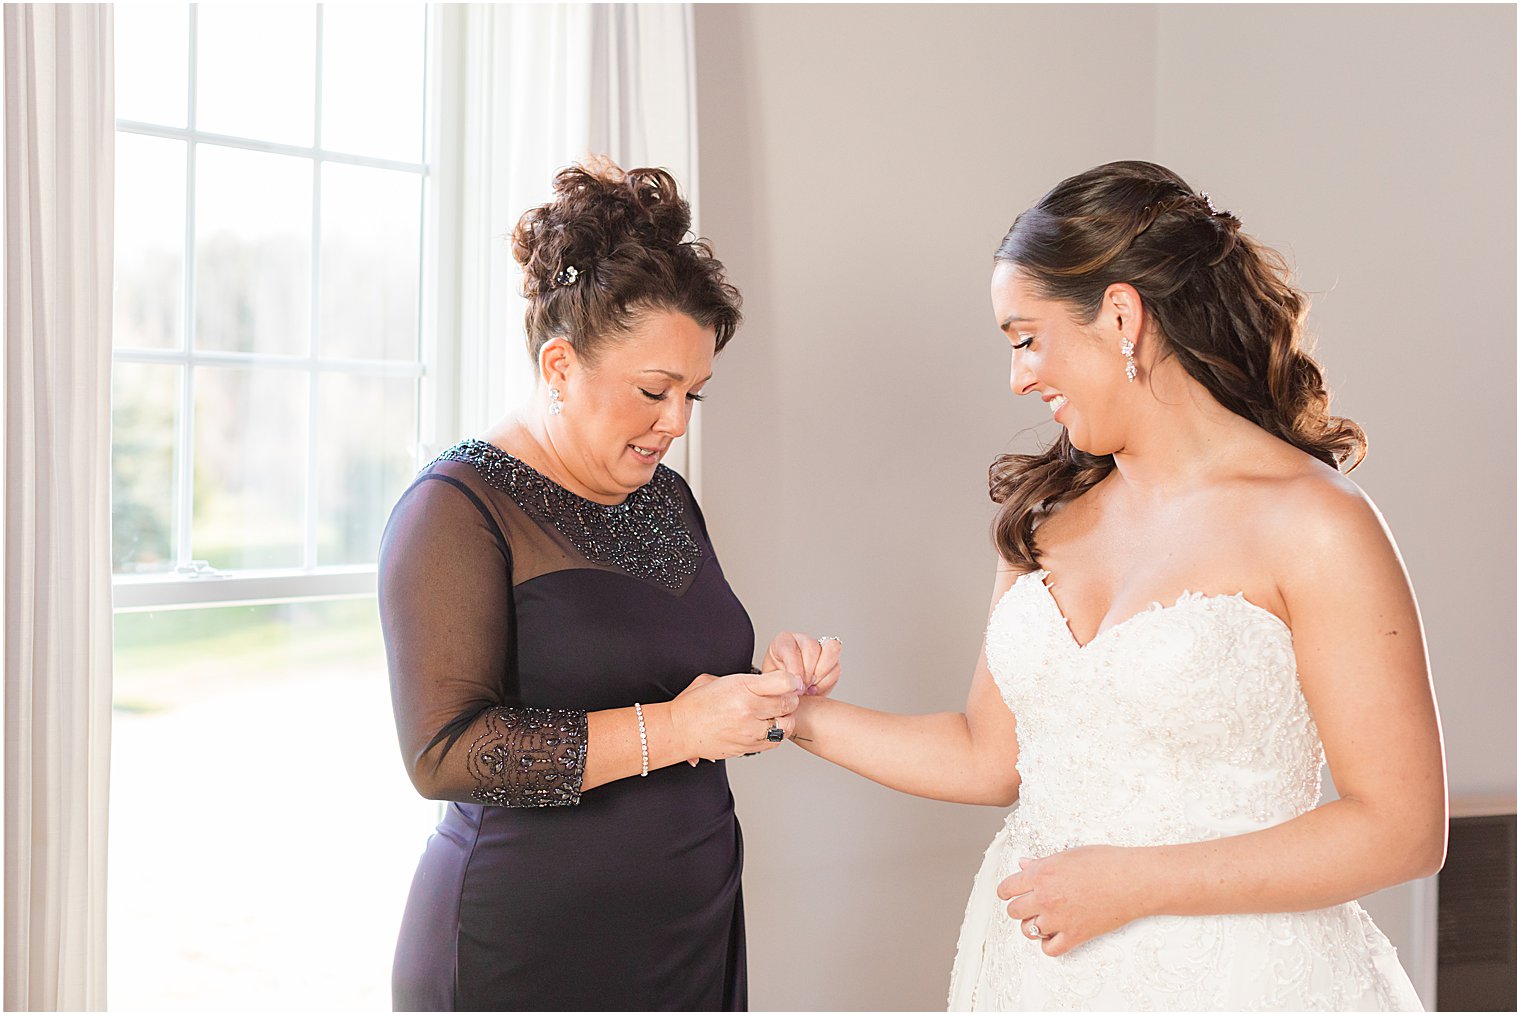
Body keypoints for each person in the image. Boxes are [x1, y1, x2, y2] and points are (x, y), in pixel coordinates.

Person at [788, 161, 1445, 1010]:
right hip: (1034, 978)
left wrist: (1134, 884)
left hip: (1241, 983)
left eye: (1025, 337)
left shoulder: (1316, 524)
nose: (1018, 376)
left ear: (1122, 315)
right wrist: (797, 716)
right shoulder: (1046, 516)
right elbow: (992, 756)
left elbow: (1402, 826)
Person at [378, 160, 838, 1011]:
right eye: (654, 390)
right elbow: (443, 752)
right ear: (559, 364)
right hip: (524, 950)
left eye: (694, 392)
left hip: (687, 938)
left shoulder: (665, 497)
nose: (677, 422)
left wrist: (766, 685)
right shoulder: (455, 509)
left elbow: (676, 674)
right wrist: (677, 726)